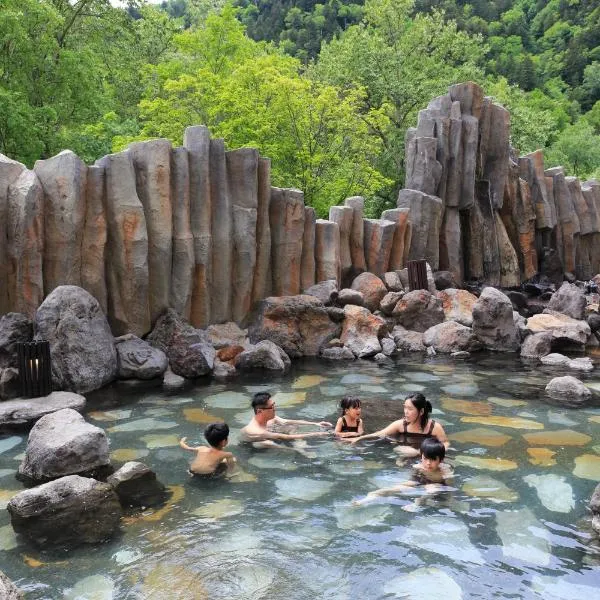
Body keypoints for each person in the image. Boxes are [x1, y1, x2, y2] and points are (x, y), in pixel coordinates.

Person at [354, 438, 453, 505]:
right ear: (421, 456)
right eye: (425, 458)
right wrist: (400, 460)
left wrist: (446, 500)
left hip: (434, 488)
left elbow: (448, 489)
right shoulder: (418, 467)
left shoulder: (445, 471)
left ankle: (417, 504)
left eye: (433, 460)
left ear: (441, 459)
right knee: (392, 489)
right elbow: (413, 480)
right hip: (419, 483)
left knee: (432, 489)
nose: (428, 463)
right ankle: (368, 498)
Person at [350, 392, 448, 456]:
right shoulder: (400, 425)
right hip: (406, 453)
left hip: (427, 457)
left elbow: (445, 444)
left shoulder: (434, 428)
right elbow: (380, 433)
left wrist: (421, 453)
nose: (406, 412)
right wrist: (359, 438)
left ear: (421, 411)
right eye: (405, 407)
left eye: (410, 409)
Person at [240, 391, 332, 446]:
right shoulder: (255, 431)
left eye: (274, 405)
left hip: (272, 436)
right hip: (253, 447)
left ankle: (299, 447)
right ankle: (298, 450)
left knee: (291, 426)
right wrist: (318, 434)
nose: (275, 408)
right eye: (272, 406)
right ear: (260, 411)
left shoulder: (269, 419)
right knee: (265, 444)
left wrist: (316, 424)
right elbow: (286, 437)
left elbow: (287, 421)